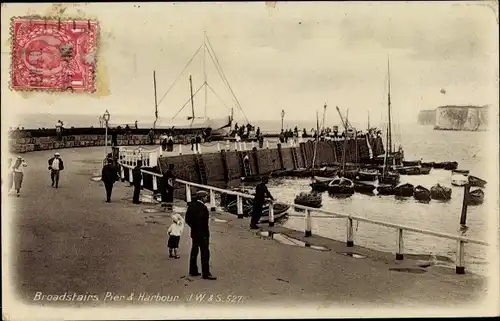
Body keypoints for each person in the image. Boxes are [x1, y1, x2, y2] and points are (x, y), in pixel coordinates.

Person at [185, 191, 216, 280]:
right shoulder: (204, 208)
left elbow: (187, 220)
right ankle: (206, 273)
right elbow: (204, 223)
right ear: (202, 198)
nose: (207, 198)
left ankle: (193, 270)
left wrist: (193, 227)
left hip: (194, 232)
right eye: (206, 197)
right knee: (205, 253)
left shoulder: (191, 206)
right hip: (203, 234)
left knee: (194, 251)